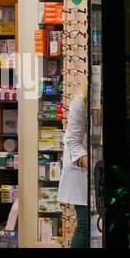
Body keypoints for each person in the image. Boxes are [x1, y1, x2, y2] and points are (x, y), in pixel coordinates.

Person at [57, 83, 90, 247]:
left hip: (96, 168)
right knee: (85, 223)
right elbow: (73, 142)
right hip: (81, 169)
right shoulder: (81, 101)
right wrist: (91, 165)